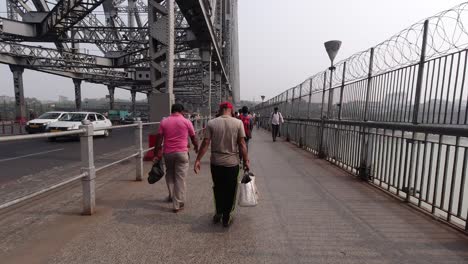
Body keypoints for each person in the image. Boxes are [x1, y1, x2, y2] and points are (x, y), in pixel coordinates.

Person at [194, 102, 250, 227]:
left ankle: (218, 212)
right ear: (231, 110)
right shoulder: (238, 123)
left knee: (218, 187)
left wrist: (198, 159)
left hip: (216, 163)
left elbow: (205, 143)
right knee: (230, 189)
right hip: (232, 163)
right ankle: (227, 216)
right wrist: (246, 160)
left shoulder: (211, 123)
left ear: (220, 109)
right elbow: (242, 144)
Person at [154, 104, 199, 213]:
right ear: (181, 111)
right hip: (182, 153)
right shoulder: (186, 121)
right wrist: (196, 147)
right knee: (180, 178)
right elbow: (193, 137)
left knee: (170, 174)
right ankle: (177, 203)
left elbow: (159, 139)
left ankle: (171, 196)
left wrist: (156, 154)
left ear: (172, 111)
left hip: (168, 153)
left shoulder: (164, 121)